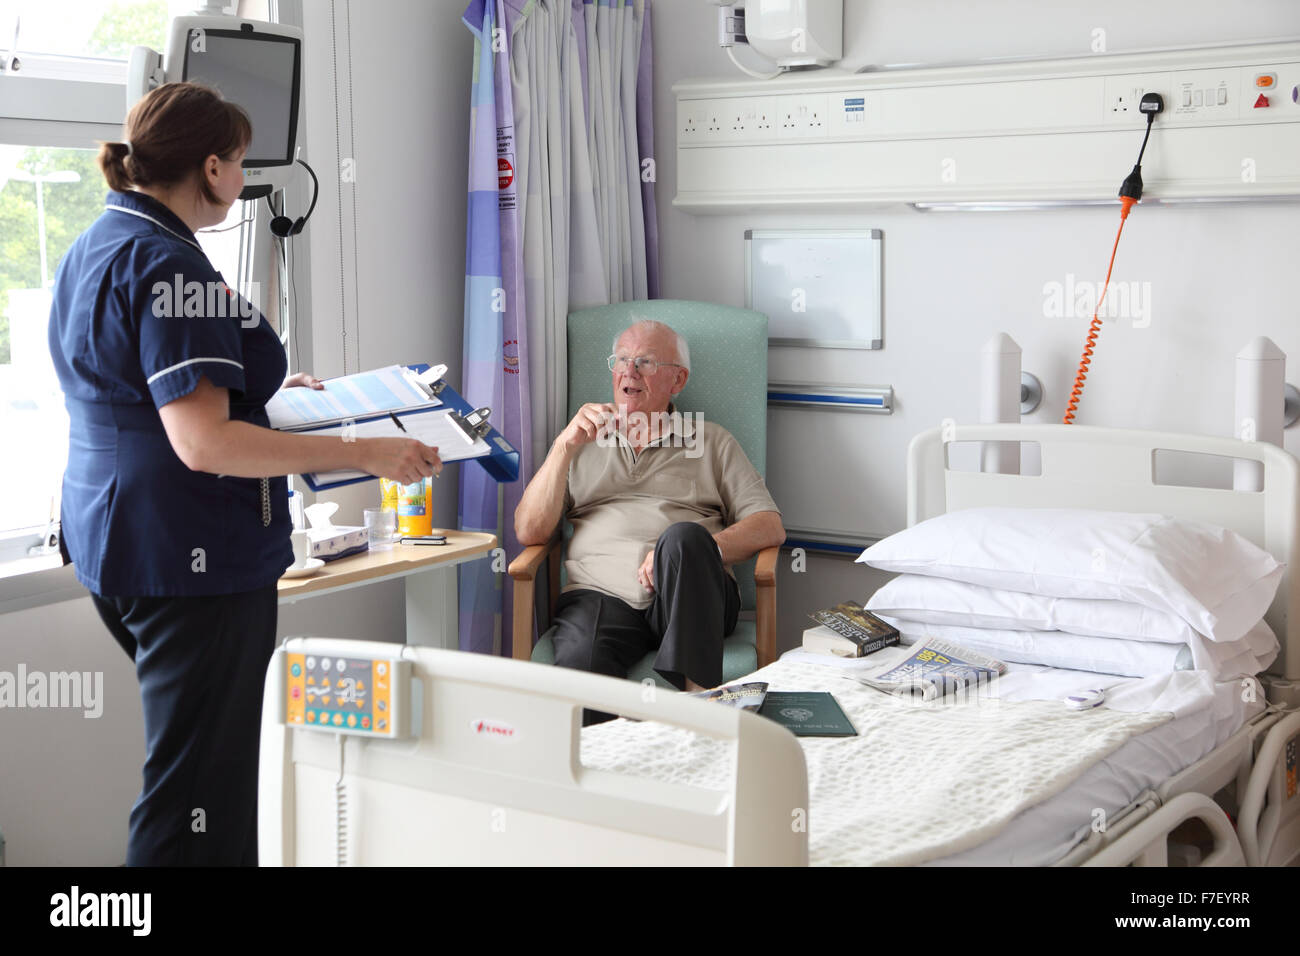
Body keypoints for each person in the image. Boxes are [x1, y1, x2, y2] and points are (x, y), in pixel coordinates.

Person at [47, 82, 442, 866]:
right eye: (239, 157)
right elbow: (203, 444)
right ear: (214, 167)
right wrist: (364, 453)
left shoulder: (99, 242)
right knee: (196, 791)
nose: (245, 172)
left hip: (114, 540)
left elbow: (134, 388)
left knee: (209, 770)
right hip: (188, 561)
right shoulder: (169, 263)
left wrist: (254, 391)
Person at [514, 319, 784, 720]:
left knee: (683, 538)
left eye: (645, 361)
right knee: (582, 666)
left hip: (692, 595)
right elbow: (529, 531)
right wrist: (562, 446)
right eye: (621, 360)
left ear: (678, 380)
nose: (629, 371)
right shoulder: (579, 442)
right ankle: (608, 771)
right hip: (599, 596)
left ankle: (698, 714)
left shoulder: (710, 440)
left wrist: (683, 554)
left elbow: (768, 524)